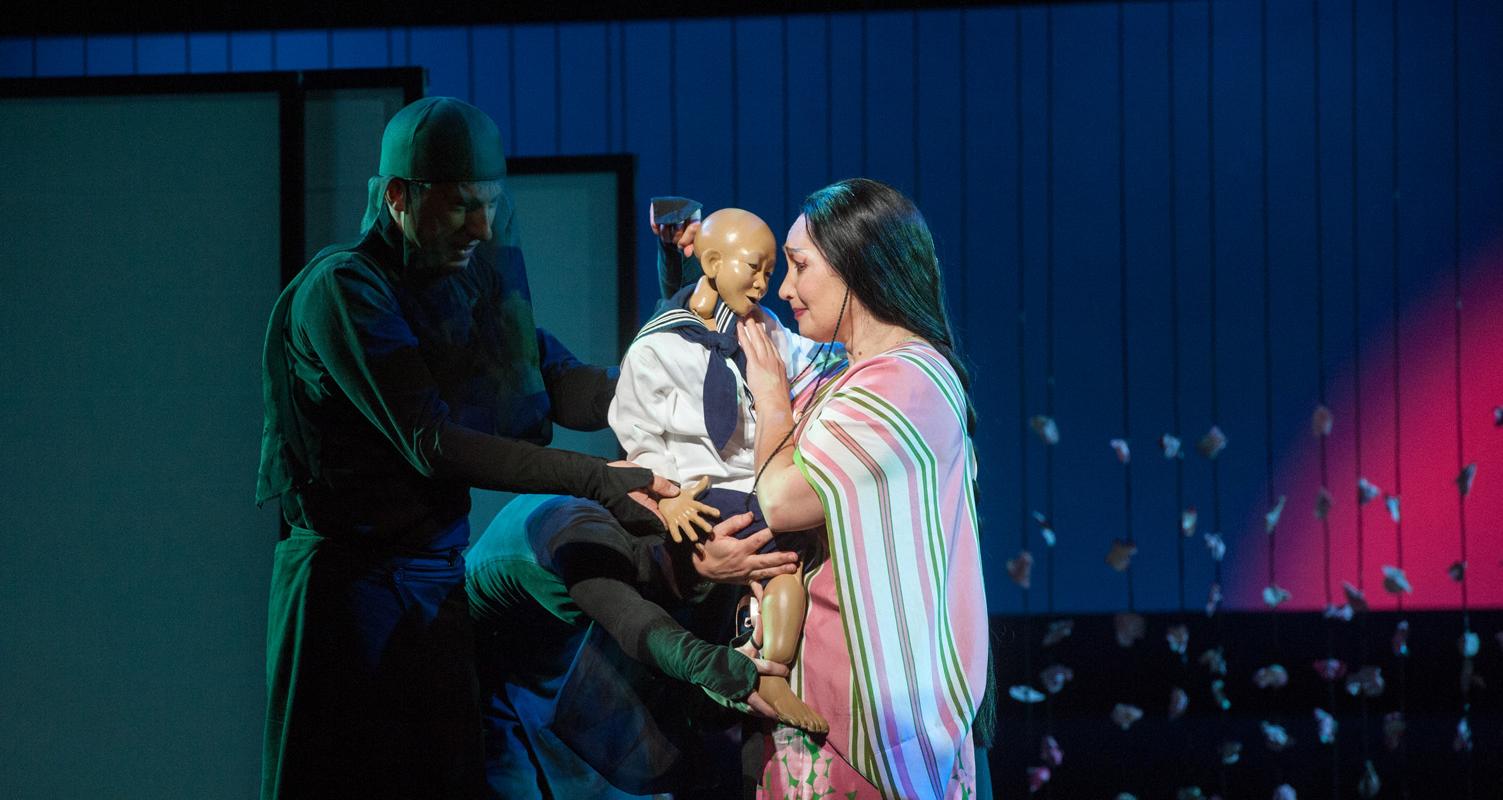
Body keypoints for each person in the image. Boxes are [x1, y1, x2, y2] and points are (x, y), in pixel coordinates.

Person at [254, 96, 677, 800]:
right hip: (348, 594)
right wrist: (599, 479)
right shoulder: (343, 290)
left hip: (432, 583)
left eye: (487, 205)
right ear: (398, 197)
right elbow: (431, 441)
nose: (479, 227)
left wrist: (674, 377)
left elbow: (557, 383)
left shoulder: (461, 288)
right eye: (457, 207)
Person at [736, 178, 993, 799]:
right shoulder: (838, 369)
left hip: (875, 706)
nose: (785, 288)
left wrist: (773, 401)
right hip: (815, 683)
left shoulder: (909, 382)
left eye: (799, 267)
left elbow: (780, 498)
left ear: (856, 265)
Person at [612, 207, 839, 733]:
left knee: (787, 566)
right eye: (754, 267)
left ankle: (769, 666)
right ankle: (749, 668)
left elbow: (812, 364)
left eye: (771, 271)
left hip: (762, 488)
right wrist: (667, 498)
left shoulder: (765, 331)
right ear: (711, 262)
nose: (765, 283)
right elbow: (639, 437)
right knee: (767, 568)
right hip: (701, 497)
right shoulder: (657, 348)